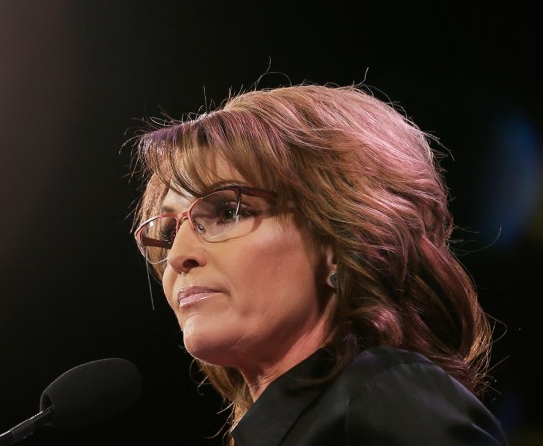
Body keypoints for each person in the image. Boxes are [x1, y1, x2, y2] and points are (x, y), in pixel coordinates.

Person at [129, 83, 508, 445]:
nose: (177, 256)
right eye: (169, 231)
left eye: (228, 212)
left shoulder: (384, 397)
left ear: (340, 238)